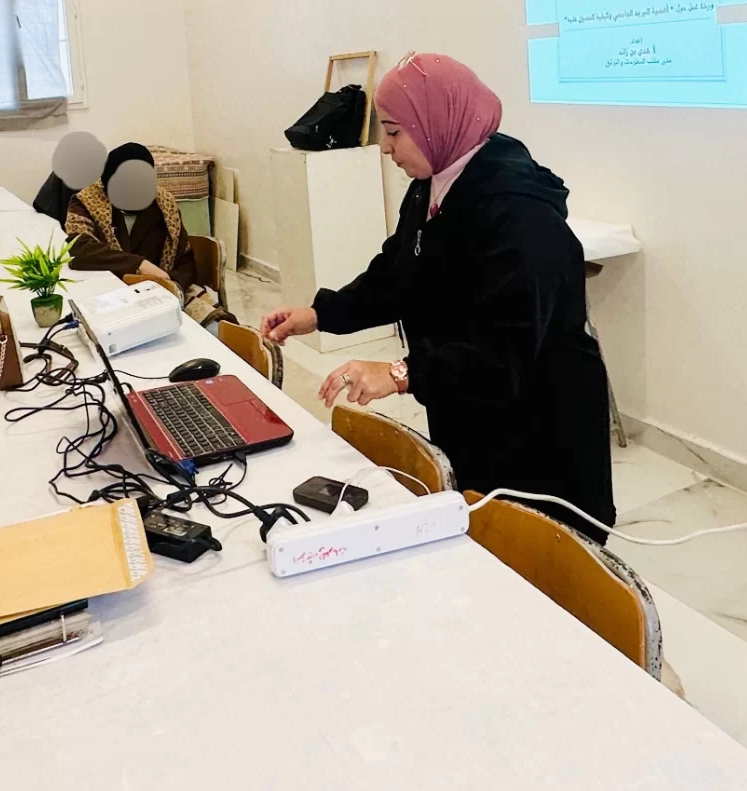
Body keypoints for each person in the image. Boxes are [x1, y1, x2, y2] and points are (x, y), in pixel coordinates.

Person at [260, 53, 615, 543]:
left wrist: (400, 372)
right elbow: (398, 273)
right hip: (471, 409)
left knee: (537, 559)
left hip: (540, 431)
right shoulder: (434, 182)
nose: (385, 147)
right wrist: (321, 313)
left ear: (437, 121)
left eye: (394, 131)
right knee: (478, 533)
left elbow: (504, 353)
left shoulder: (519, 213)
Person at [65, 143, 227, 326]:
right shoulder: (86, 203)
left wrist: (170, 286)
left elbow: (186, 260)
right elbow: (79, 249)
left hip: (164, 294)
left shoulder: (164, 205)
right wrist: (139, 265)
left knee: (218, 330)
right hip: (112, 296)